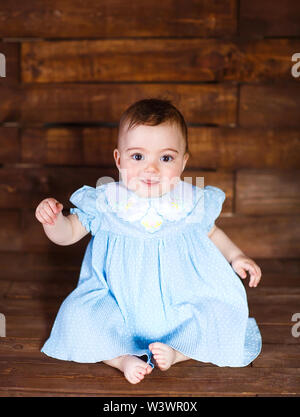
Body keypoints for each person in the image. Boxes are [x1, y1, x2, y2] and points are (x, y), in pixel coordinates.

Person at [36, 98, 262, 385]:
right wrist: (53, 221)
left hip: (182, 298)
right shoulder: (107, 202)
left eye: (165, 158)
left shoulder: (190, 201)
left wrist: (236, 256)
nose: (151, 169)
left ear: (183, 161)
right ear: (119, 159)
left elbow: (212, 232)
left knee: (220, 310)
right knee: (78, 316)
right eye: (138, 157)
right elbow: (68, 233)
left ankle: (178, 352)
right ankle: (120, 358)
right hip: (119, 302)